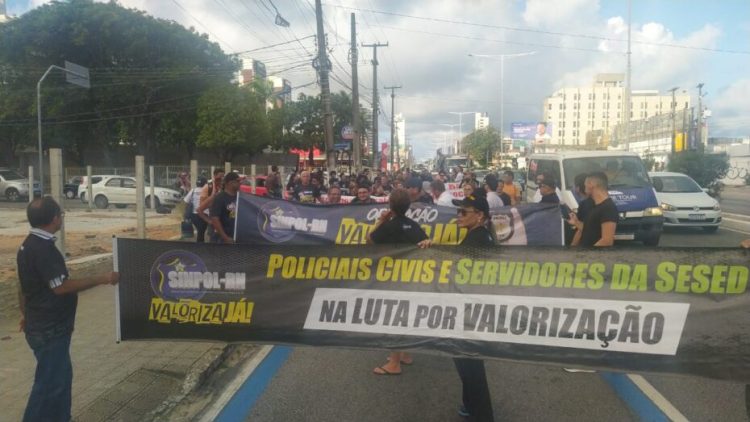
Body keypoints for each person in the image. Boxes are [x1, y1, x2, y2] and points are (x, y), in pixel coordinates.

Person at [17, 197, 119, 422]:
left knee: (60, 379)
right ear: (54, 218)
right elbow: (61, 287)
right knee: (49, 385)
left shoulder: (28, 245)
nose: (62, 218)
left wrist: (26, 314)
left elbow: (23, 286)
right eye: (61, 215)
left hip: (41, 324)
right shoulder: (43, 250)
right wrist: (102, 278)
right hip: (49, 329)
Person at [369, 189, 431, 376]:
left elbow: (370, 239)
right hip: (411, 277)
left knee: (394, 316)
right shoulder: (413, 225)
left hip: (393, 277)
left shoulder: (389, 226)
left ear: (390, 206)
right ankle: (404, 353)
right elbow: (425, 243)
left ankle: (394, 363)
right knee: (405, 314)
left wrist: (382, 220)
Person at [451, 189, 496, 421]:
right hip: (469, 310)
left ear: (479, 216)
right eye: (458, 211)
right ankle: (470, 405)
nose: (458, 215)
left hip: (471, 314)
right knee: (467, 365)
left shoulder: (479, 240)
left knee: (470, 367)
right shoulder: (478, 235)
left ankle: (482, 415)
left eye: (463, 212)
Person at [567, 172, 617, 247]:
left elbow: (607, 240)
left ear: (591, 184)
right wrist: (576, 222)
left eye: (585, 184)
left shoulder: (608, 207)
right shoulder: (593, 206)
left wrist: (589, 254)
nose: (584, 187)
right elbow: (591, 231)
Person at [210, 172, 241, 244]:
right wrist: (225, 237)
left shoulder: (240, 197)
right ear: (230, 183)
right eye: (238, 181)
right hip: (222, 240)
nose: (240, 183)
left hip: (236, 237)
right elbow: (215, 219)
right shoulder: (220, 198)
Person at [184, 176, 209, 242]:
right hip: (205, 214)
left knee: (200, 231)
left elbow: (186, 201)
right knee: (201, 231)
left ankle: (200, 244)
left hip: (194, 215)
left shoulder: (193, 190)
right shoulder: (207, 190)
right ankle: (200, 246)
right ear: (205, 183)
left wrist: (186, 211)